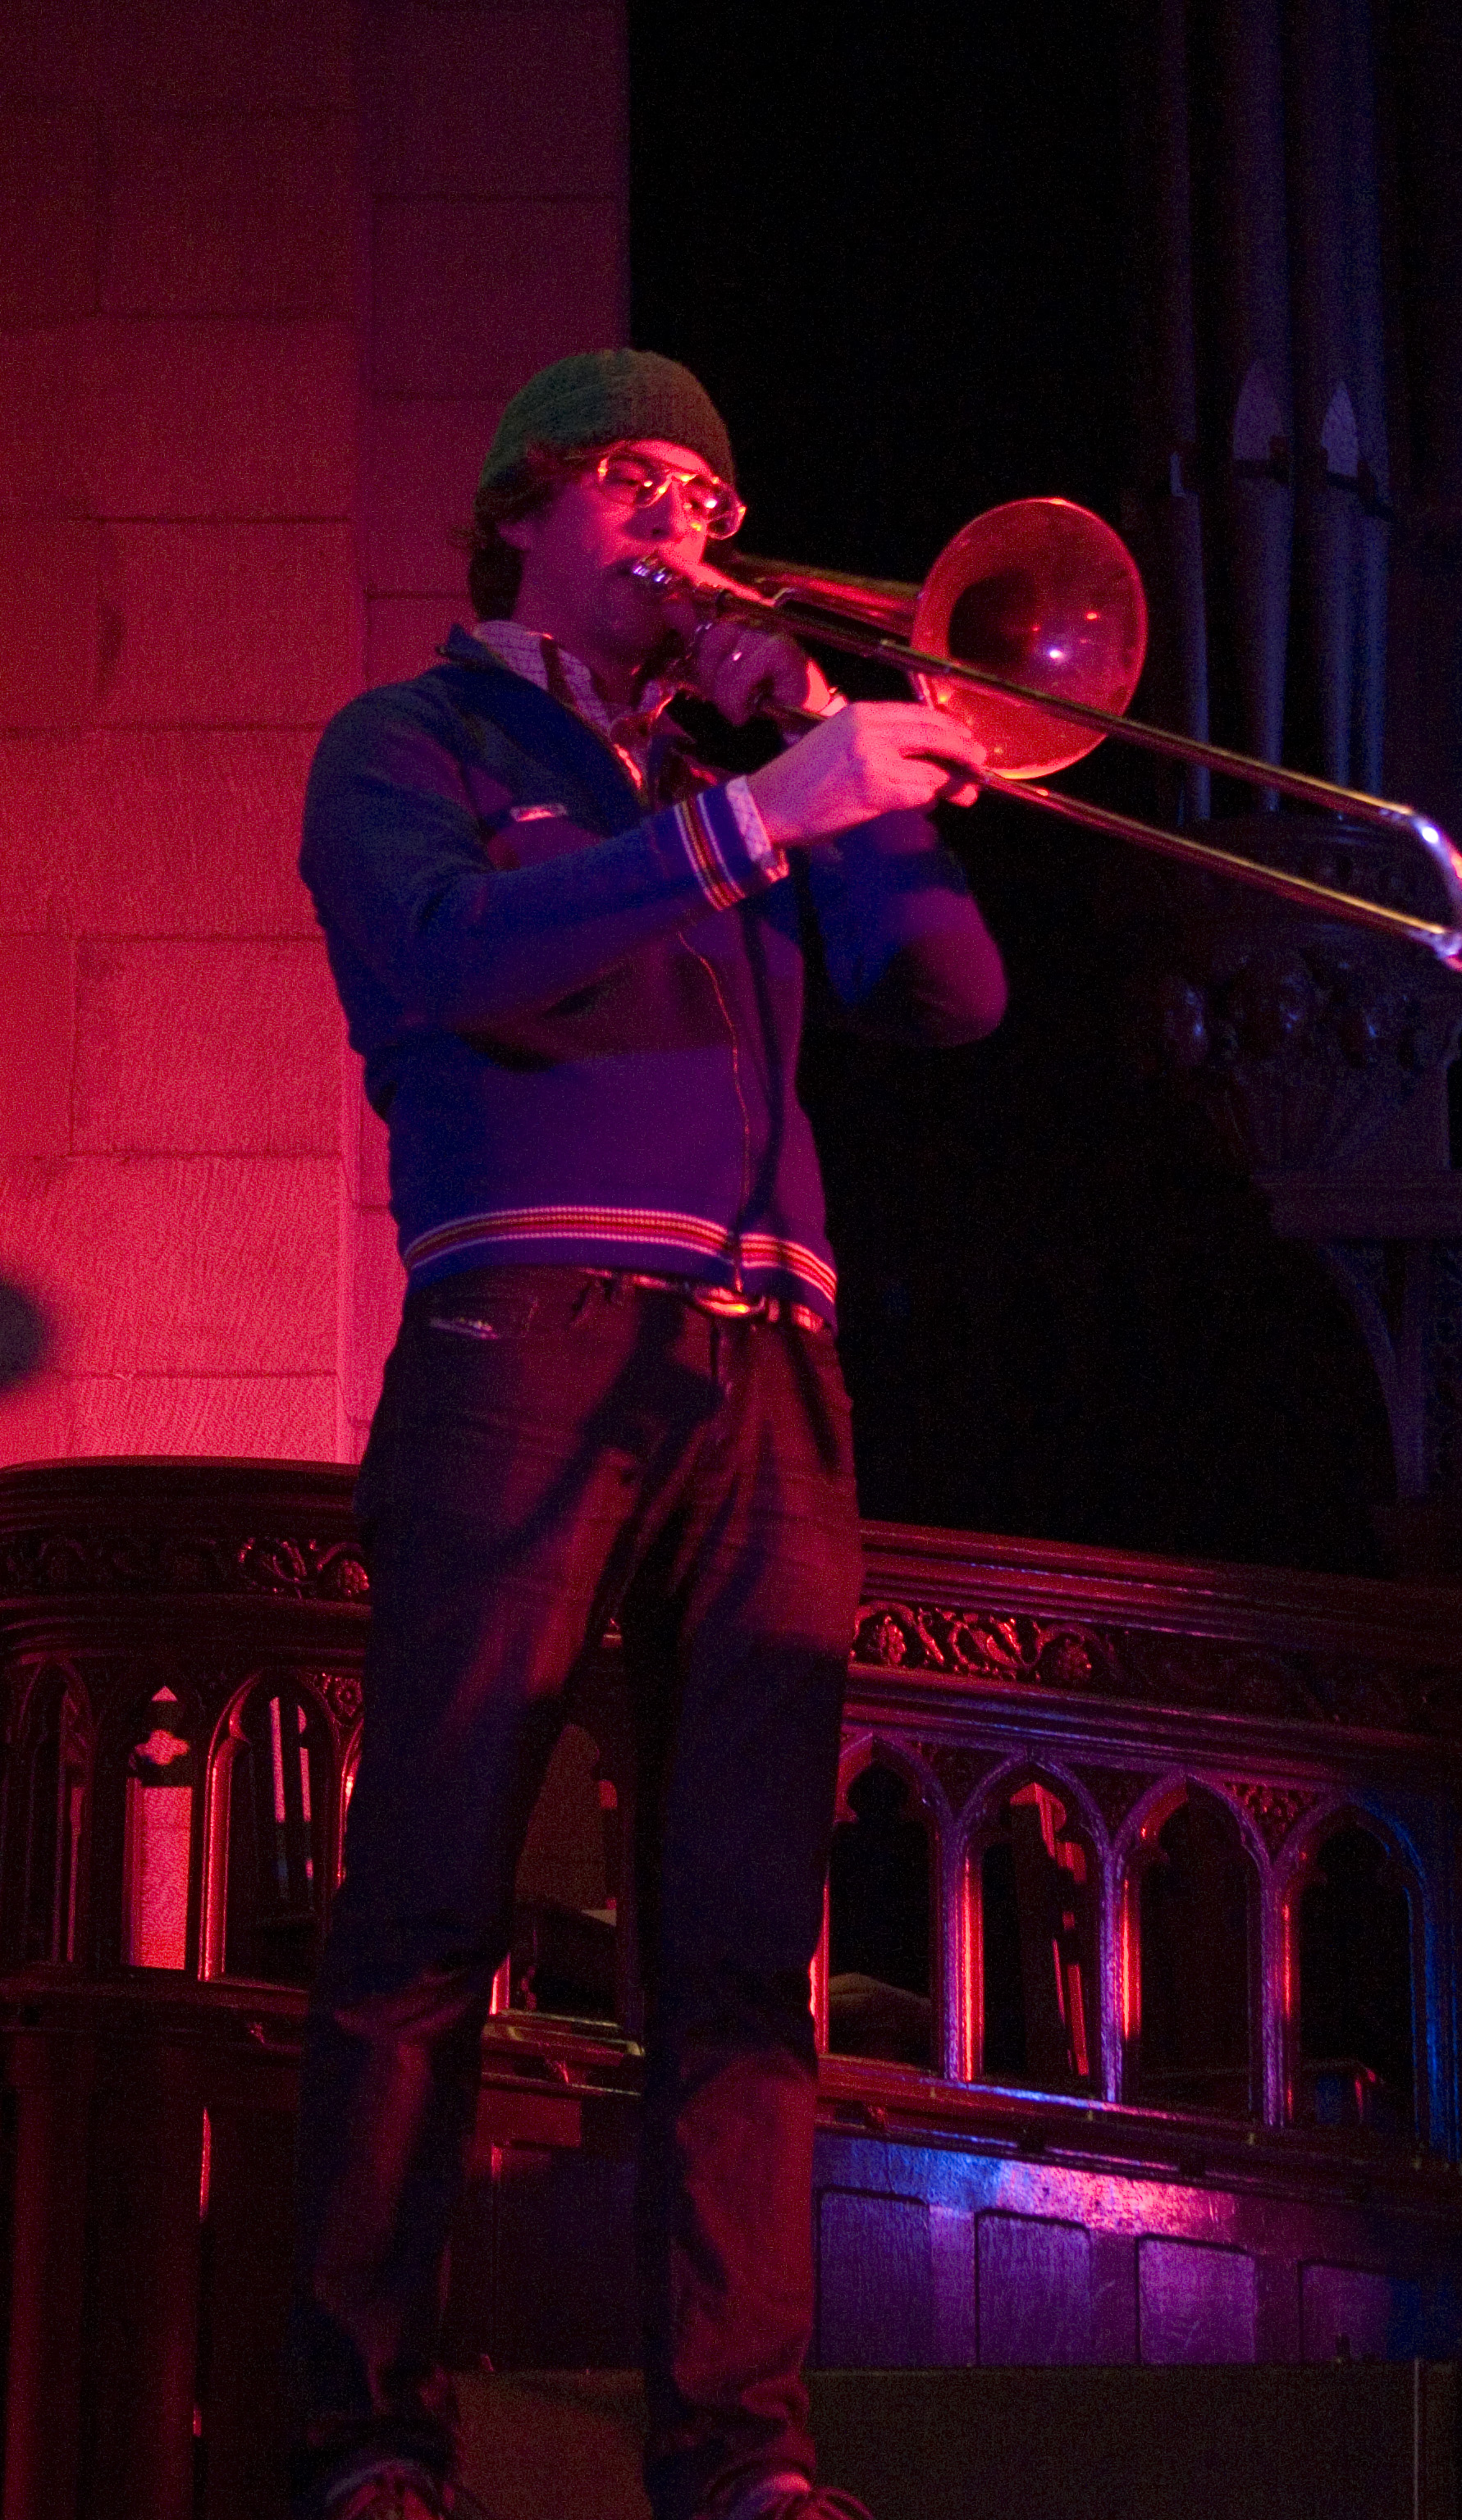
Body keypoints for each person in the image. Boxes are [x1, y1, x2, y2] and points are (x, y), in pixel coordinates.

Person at [288, 348, 1007, 2520]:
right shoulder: (411, 741)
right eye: (634, 481)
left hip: (770, 1362)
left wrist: (823, 757)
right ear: (522, 508)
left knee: (744, 1947)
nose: (685, 522)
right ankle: (367, 2435)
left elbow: (948, 994)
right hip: (526, 1335)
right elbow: (450, 957)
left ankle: (740, 2453)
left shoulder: (732, 767)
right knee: (426, 1904)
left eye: (708, 492)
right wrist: (754, 820)